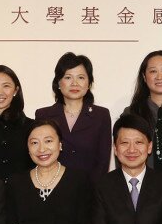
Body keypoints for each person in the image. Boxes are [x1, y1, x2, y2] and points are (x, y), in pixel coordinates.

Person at [34, 52, 113, 180]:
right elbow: (39, 156)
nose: (74, 83)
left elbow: (103, 162)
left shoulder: (101, 116)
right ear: (58, 83)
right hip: (52, 189)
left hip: (89, 191)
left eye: (81, 77)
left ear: (89, 83)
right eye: (68, 77)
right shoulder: (43, 115)